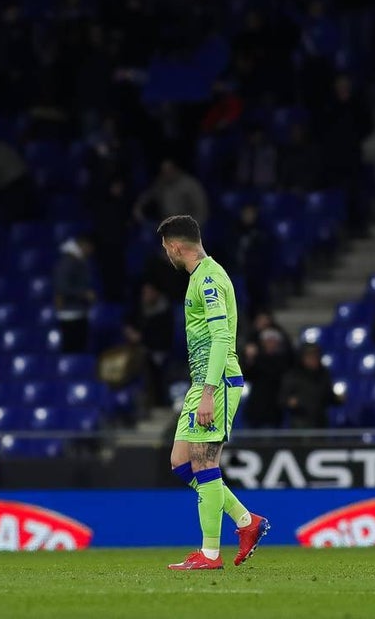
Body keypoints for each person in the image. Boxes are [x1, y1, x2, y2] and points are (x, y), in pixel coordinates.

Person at [158, 215, 267, 570]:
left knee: (205, 463)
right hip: (203, 380)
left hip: (215, 382)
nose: (166, 254)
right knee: (181, 462)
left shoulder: (207, 279)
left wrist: (208, 392)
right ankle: (246, 521)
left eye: (166, 248)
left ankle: (209, 554)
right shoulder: (202, 276)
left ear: (175, 246)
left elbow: (221, 337)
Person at [280, 343, 339, 429]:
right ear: (302, 358)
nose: (313, 360)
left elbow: (329, 398)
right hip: (300, 423)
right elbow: (282, 399)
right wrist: (290, 402)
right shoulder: (293, 375)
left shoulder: (324, 375)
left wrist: (338, 399)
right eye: (309, 357)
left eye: (315, 357)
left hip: (320, 422)